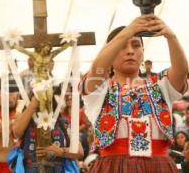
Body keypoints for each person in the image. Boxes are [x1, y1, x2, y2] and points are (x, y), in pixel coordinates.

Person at [80, 14, 188, 173]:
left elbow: (181, 71)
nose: (130, 51)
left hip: (158, 167)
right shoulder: (100, 90)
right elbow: (98, 68)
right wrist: (130, 30)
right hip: (113, 168)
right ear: (110, 52)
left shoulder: (160, 85)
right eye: (122, 46)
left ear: (143, 53)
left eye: (136, 45)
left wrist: (171, 37)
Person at [11, 93, 84, 172]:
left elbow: (80, 152)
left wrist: (60, 151)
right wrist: (32, 105)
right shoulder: (26, 121)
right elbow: (16, 133)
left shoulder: (63, 123)